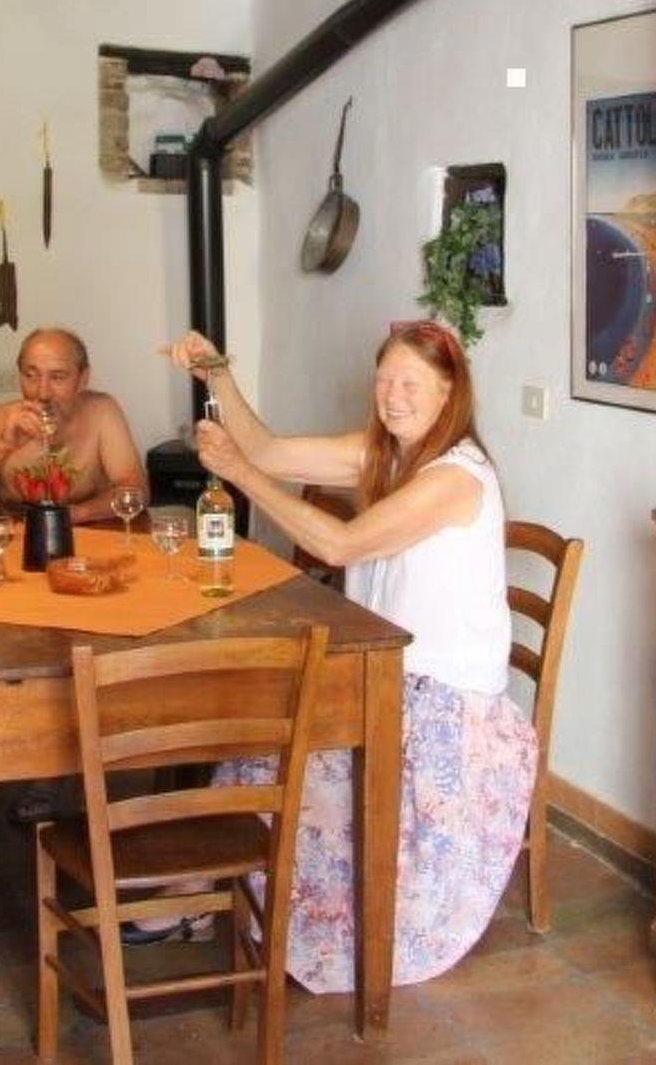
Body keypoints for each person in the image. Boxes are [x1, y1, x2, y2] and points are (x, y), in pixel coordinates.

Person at [164, 321, 537, 991]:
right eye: (384, 380)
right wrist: (216, 372)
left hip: (442, 708)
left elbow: (340, 545)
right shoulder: (386, 454)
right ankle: (202, 890)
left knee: (283, 745)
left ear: (450, 392)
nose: (392, 397)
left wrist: (238, 474)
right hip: (384, 675)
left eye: (411, 384)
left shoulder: (456, 477)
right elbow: (270, 450)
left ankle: (211, 896)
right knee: (261, 737)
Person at [0, 327, 147, 525]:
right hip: (16, 545)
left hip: (88, 540)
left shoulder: (102, 411)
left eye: (57, 377)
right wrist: (1, 447)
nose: (42, 393)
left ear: (83, 379)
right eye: (31, 375)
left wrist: (72, 515)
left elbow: (137, 492)